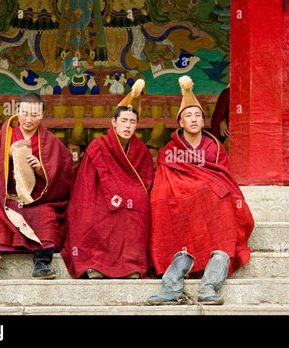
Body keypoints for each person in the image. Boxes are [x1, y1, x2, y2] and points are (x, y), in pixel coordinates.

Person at [147, 76, 254, 305]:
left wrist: (204, 189)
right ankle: (171, 285)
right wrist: (188, 190)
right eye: (188, 116)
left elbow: (224, 179)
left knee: (226, 203)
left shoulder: (214, 147)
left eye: (198, 115)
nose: (194, 119)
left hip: (210, 203)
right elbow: (164, 182)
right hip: (180, 201)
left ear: (203, 121)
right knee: (161, 201)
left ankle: (209, 287)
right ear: (181, 122)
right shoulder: (169, 150)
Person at [0, 93, 74, 280]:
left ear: (42, 115)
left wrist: (42, 170)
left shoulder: (51, 143)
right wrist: (5, 155)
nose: (28, 119)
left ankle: (42, 263)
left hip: (35, 201)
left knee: (46, 215)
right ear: (17, 112)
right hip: (5, 198)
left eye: (34, 115)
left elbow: (64, 176)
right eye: (25, 113)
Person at [61, 79, 154, 279]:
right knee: (95, 211)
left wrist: (129, 193)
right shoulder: (98, 146)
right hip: (101, 195)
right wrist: (112, 194)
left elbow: (145, 181)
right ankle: (96, 264)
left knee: (136, 206)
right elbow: (86, 184)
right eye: (124, 121)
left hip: (129, 198)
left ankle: (131, 265)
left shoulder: (142, 150)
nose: (128, 126)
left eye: (132, 122)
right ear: (113, 122)